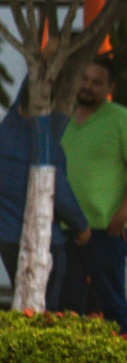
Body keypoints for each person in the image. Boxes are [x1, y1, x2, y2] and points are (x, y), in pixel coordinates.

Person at [60, 56, 127, 361]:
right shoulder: (63, 118)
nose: (88, 86)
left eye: (97, 82)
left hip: (105, 229)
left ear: (110, 87)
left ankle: (126, 362)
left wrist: (123, 214)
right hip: (64, 230)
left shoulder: (122, 120)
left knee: (111, 302)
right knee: (67, 303)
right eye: (84, 79)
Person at [0, 79, 90, 310]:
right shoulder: (45, 145)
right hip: (43, 240)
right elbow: (60, 195)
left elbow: (28, 91)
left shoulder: (7, 129)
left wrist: (44, 59)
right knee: (42, 308)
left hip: (7, 237)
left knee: (22, 303)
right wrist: (81, 226)